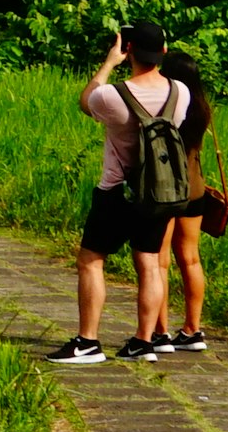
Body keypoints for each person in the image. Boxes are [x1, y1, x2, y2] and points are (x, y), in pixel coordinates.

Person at [46, 22, 183, 365]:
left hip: (117, 191)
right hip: (160, 192)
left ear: (130, 50)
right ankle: (143, 341)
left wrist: (108, 64)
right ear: (163, 52)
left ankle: (88, 342)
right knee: (150, 263)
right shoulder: (181, 92)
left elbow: (84, 101)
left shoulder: (113, 95)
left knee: (91, 260)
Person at [149, 43, 214, 354]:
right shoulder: (203, 108)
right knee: (190, 258)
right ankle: (193, 328)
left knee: (160, 262)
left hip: (166, 187)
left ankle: (159, 332)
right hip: (196, 187)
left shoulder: (168, 104)